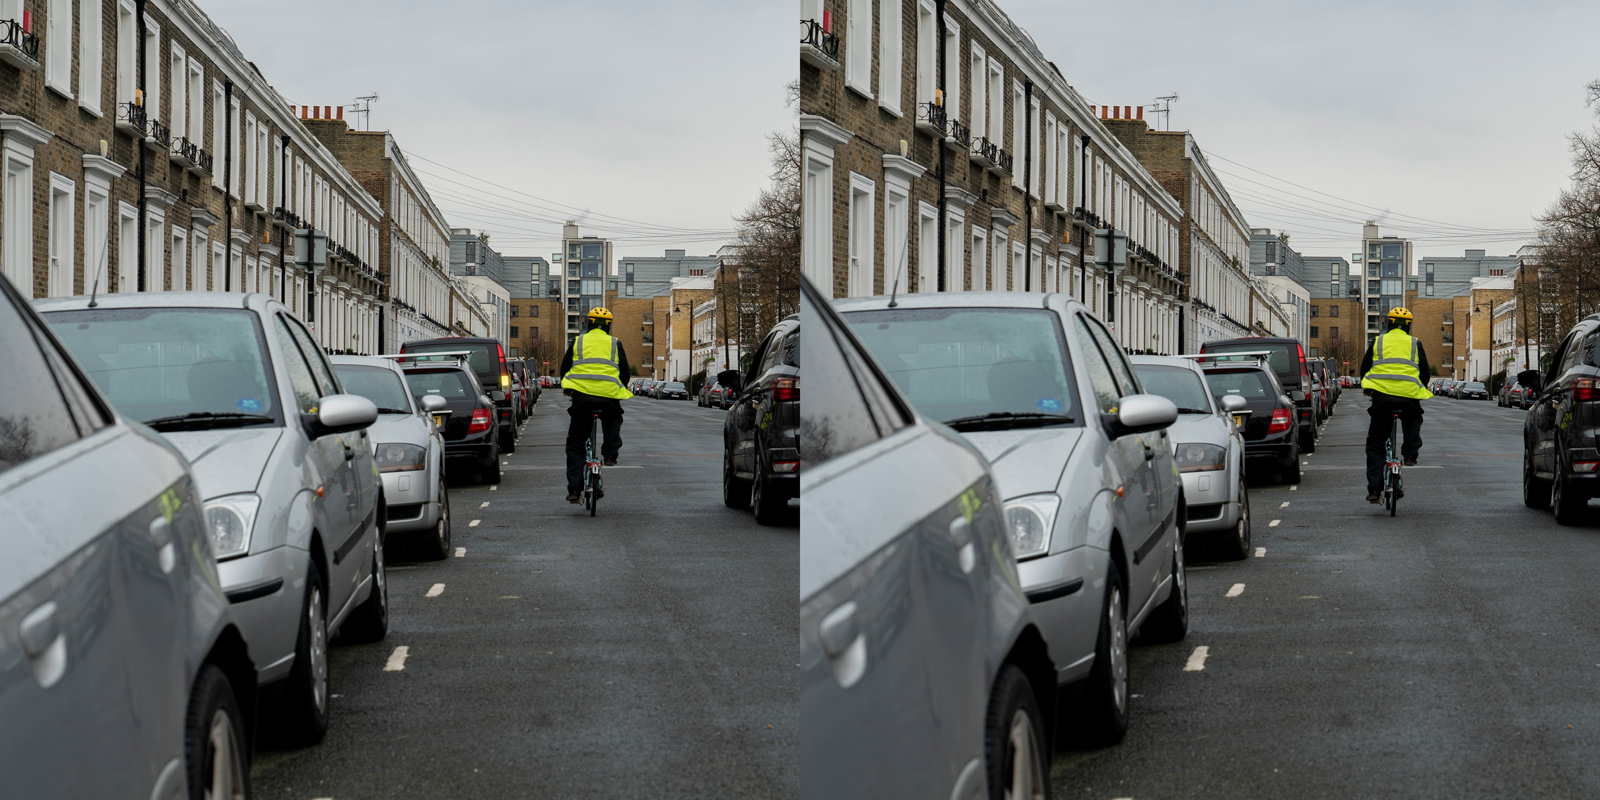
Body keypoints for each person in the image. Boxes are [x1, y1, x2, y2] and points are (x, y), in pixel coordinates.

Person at [1359, 306, 1433, 503]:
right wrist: (1420, 388)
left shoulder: (1378, 341)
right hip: (1408, 399)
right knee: (1413, 419)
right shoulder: (1415, 343)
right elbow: (1425, 372)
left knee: (1375, 445)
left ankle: (1374, 491)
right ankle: (1409, 455)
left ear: (1388, 323)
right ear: (1408, 326)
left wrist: (1367, 387)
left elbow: (1365, 368)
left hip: (1382, 399)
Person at [559, 307, 633, 503]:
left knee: (575, 445)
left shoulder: (578, 341)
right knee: (613, 419)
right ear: (609, 326)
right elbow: (624, 371)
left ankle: (574, 491)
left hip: (582, 399)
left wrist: (567, 387)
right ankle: (609, 455)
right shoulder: (615, 343)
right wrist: (620, 387)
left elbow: (565, 368)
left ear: (588, 323)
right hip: (608, 399)